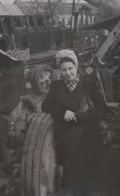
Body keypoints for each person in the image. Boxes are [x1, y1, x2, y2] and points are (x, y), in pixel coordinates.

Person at [42, 49, 108, 196]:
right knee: (71, 172)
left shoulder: (89, 84)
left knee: (89, 175)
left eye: (70, 68)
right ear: (59, 71)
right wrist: (62, 112)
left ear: (76, 67)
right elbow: (45, 106)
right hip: (66, 134)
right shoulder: (56, 85)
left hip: (89, 134)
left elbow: (103, 110)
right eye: (63, 70)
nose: (68, 73)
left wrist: (82, 116)